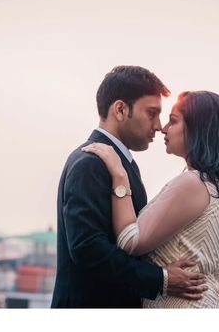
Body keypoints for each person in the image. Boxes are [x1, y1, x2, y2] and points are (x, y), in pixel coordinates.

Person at [51, 66, 208, 308]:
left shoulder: (121, 164)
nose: (158, 125)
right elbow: (87, 249)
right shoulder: (90, 163)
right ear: (121, 110)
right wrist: (161, 279)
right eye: (152, 113)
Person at [82, 90, 219, 308]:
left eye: (173, 121)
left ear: (198, 129)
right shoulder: (211, 184)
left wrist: (119, 174)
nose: (163, 128)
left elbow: (129, 242)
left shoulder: (193, 183)